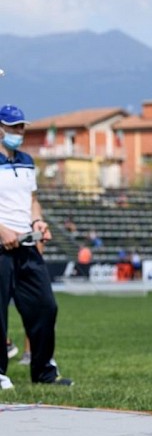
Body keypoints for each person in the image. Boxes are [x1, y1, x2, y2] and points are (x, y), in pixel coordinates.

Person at [0, 104, 73, 389]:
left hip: (27, 247)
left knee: (45, 306)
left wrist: (39, 221)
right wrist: (2, 230)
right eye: (13, 127)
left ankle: (44, 371)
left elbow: (32, 201)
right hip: (1, 248)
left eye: (21, 127)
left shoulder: (27, 161)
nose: (20, 131)